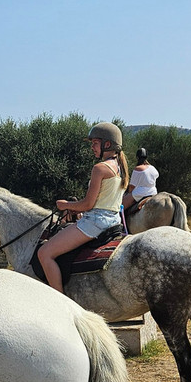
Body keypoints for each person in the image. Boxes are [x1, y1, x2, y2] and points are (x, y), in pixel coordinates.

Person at [36, 122, 128, 294]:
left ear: (107, 144)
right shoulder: (121, 168)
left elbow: (88, 205)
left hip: (95, 222)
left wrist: (66, 205)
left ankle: (60, 302)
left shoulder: (99, 168)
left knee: (44, 253)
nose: (92, 147)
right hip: (113, 220)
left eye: (95, 143)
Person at [123, 146, 159, 211]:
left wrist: (128, 194)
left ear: (137, 157)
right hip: (153, 192)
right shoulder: (153, 168)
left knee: (121, 206)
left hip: (140, 193)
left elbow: (131, 186)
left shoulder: (138, 169)